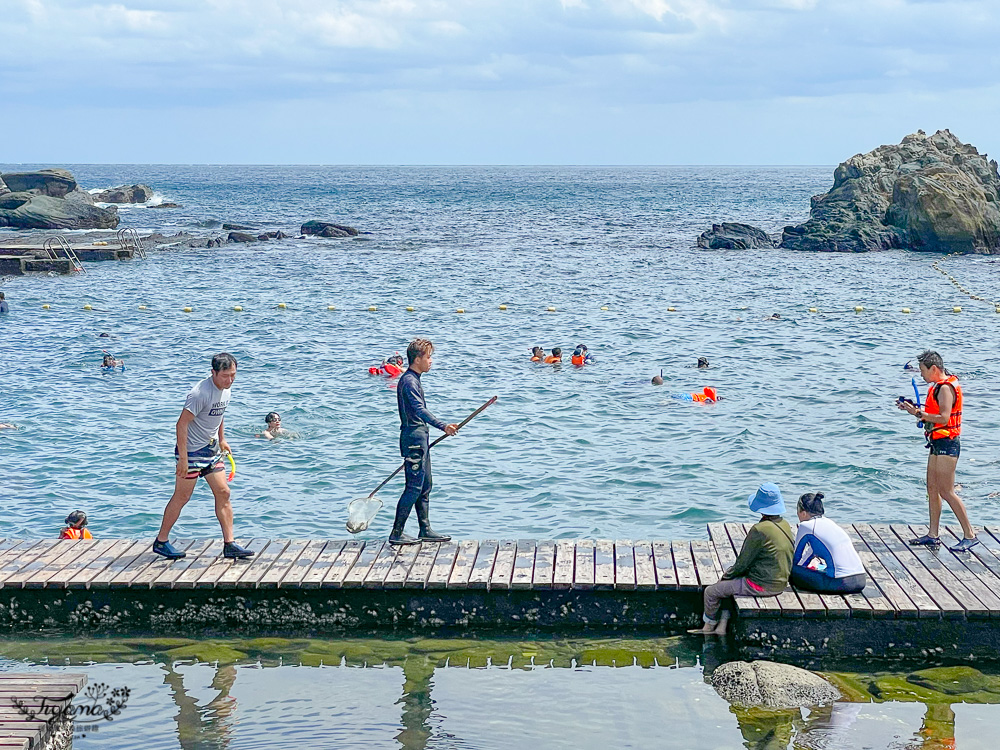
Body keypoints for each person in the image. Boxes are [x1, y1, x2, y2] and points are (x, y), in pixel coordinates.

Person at [152, 352, 253, 560]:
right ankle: (161, 541)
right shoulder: (199, 393)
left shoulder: (227, 389)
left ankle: (230, 544)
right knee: (182, 497)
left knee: (224, 492)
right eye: (225, 376)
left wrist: (222, 439)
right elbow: (181, 424)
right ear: (213, 373)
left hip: (212, 450)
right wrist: (183, 458)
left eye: (233, 375)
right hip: (191, 452)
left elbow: (219, 414)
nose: (230, 380)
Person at [896, 349, 978, 552]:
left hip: (948, 443)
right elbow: (932, 415)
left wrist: (918, 413)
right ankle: (933, 534)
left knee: (947, 491)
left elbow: (943, 417)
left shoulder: (945, 388)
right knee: (932, 488)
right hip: (936, 443)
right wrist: (914, 410)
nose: (921, 375)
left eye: (923, 370)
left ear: (934, 369)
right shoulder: (937, 386)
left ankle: (970, 534)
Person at [689, 483, 794, 635]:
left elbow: (743, 563)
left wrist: (726, 576)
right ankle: (722, 626)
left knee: (712, 591)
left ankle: (708, 627)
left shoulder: (759, 530)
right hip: (781, 582)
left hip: (761, 585)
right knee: (729, 586)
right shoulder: (784, 524)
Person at [390, 338, 458, 545]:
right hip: (413, 439)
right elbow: (419, 410)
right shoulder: (409, 381)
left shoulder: (414, 379)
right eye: (428, 357)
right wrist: (443, 425)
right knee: (413, 487)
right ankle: (397, 533)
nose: (431, 361)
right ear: (417, 359)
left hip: (420, 438)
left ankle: (424, 529)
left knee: (425, 485)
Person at [790, 492, 867, 594]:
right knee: (818, 568)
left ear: (803, 513)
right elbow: (811, 551)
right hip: (861, 579)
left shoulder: (805, 526)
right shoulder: (830, 523)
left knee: (790, 569)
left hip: (841, 582)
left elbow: (796, 558)